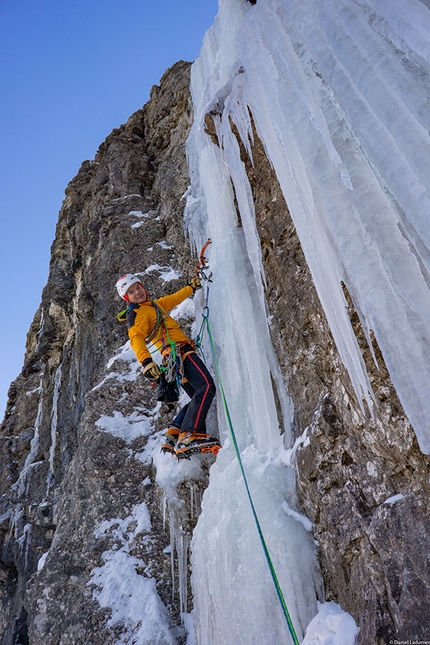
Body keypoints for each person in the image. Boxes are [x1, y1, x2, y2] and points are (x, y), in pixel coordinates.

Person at [116, 273, 221, 459]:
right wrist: (146, 362)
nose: (137, 292)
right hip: (180, 353)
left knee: (197, 394)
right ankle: (191, 435)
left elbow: (174, 298)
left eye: (137, 287)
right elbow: (136, 338)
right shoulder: (138, 313)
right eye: (131, 292)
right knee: (206, 387)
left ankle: (175, 431)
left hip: (176, 357)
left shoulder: (154, 306)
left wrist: (191, 287)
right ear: (127, 299)